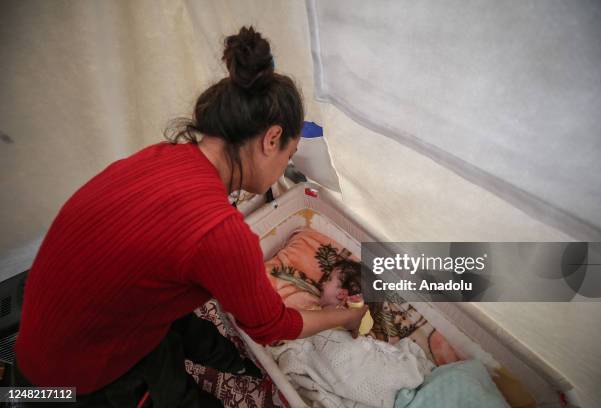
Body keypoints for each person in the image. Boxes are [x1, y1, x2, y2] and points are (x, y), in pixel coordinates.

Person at [14, 26, 367, 407]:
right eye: (289, 153)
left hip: (40, 341)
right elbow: (272, 327)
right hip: (70, 382)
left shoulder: (163, 155)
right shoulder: (218, 233)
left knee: (180, 325)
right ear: (271, 138)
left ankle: (235, 363)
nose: (284, 169)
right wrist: (344, 317)